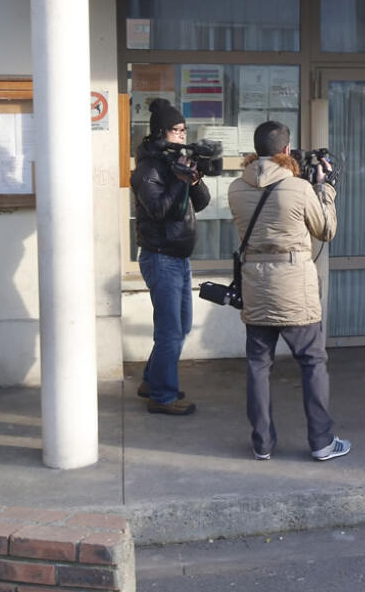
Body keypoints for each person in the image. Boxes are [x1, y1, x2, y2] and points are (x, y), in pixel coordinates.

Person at [227, 120, 349, 462]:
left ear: (255, 151)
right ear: (285, 150)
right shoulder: (298, 188)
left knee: (258, 364)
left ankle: (262, 443)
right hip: (294, 285)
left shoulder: (236, 188)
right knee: (312, 361)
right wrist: (325, 188)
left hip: (255, 283)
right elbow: (325, 230)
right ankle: (322, 441)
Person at [130, 98, 210, 415]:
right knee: (170, 332)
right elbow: (160, 210)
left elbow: (200, 202)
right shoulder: (148, 170)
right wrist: (178, 182)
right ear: (161, 132)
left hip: (178, 257)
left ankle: (152, 380)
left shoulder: (171, 165)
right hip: (161, 257)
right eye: (176, 130)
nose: (181, 135)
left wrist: (194, 178)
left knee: (181, 327)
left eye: (183, 129)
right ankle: (162, 396)